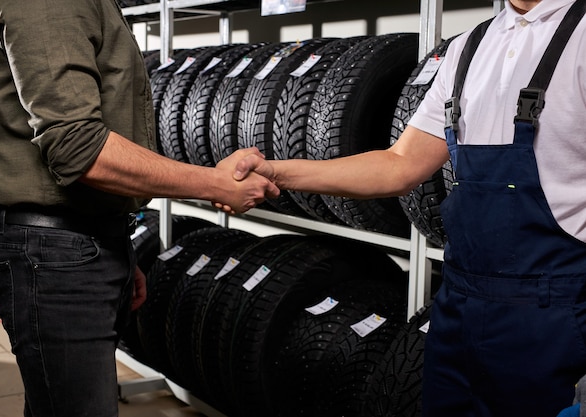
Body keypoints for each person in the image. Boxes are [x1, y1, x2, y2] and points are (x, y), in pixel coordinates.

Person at [230, 0, 586, 415]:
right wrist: (275, 172)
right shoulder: (468, 47)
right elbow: (399, 165)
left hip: (553, 317)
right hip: (458, 306)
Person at [0, 1, 278, 416]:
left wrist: (112, 243)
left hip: (78, 242)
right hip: (56, 253)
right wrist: (214, 184)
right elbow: (78, 147)